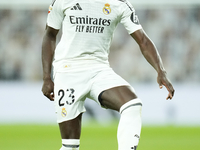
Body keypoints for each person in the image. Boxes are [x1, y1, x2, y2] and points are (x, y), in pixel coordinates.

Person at [41, 0, 175, 150]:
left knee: (132, 104)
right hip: (68, 71)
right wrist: (47, 76)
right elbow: (50, 34)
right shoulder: (63, 1)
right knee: (70, 146)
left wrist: (160, 70)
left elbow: (143, 40)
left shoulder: (120, 4)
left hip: (99, 68)